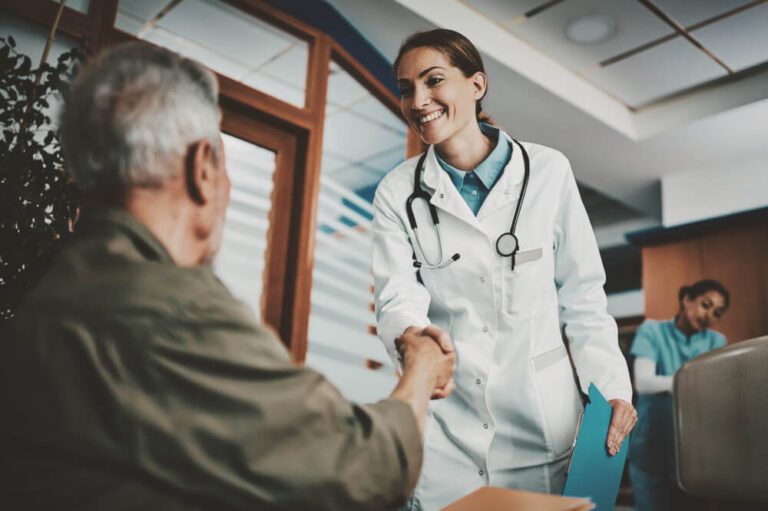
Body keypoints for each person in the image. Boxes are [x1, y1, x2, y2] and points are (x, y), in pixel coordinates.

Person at [0, 43, 457, 511]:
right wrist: (420, 367)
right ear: (203, 168)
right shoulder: (168, 311)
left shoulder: (52, 300)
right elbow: (366, 471)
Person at [371, 29, 636, 509]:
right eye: (406, 87)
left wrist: (611, 388)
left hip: (540, 428)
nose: (419, 99)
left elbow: (583, 298)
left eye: (434, 80)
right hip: (448, 434)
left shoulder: (548, 171)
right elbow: (396, 297)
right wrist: (411, 337)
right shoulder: (397, 192)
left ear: (477, 85)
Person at [628, 279, 729, 511]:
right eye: (706, 304)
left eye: (717, 312)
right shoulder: (652, 330)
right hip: (651, 449)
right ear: (686, 299)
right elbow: (643, 382)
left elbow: (718, 392)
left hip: (696, 456)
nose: (708, 315)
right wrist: (693, 382)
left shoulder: (717, 341)